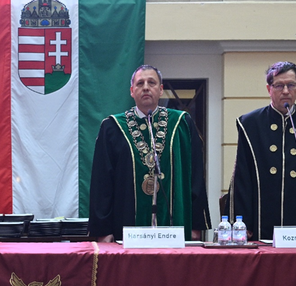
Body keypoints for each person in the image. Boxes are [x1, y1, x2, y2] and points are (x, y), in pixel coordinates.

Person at [88, 65, 210, 241]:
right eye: (140, 83)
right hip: (127, 227)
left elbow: (196, 176)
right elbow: (102, 184)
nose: (145, 87)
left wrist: (196, 225)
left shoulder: (181, 124)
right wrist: (103, 231)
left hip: (174, 228)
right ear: (132, 91)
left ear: (160, 90)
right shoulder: (112, 127)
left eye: (151, 82)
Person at [228, 61, 296, 240]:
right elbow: (242, 177)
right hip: (261, 222)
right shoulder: (250, 123)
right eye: (279, 85)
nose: (286, 91)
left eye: (291, 85)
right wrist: (242, 222)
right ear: (269, 89)